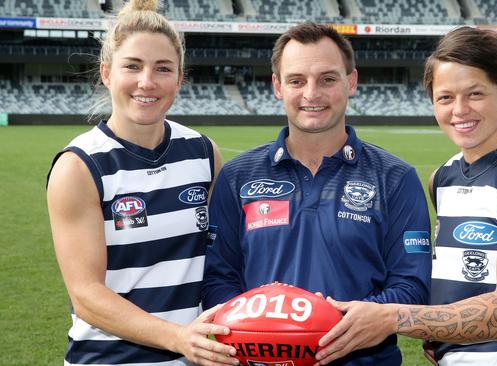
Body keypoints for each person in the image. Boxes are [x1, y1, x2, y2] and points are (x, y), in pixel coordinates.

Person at [314, 26, 497, 366]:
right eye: (445, 97)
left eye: (474, 94)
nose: (459, 110)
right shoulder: (442, 177)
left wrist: (392, 317)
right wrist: (439, 332)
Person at [201, 23, 432, 365]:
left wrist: (332, 320)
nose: (312, 93)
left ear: (351, 82)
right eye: (297, 81)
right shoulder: (238, 177)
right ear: (277, 86)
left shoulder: (395, 178)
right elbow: (218, 277)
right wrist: (263, 322)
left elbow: (412, 285)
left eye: (327, 79)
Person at [46, 1, 239, 365]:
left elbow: (219, 259)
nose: (147, 82)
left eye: (163, 69)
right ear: (106, 73)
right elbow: (86, 294)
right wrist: (179, 338)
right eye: (132, 66)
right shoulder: (79, 166)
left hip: (193, 358)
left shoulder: (203, 153)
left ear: (180, 79)